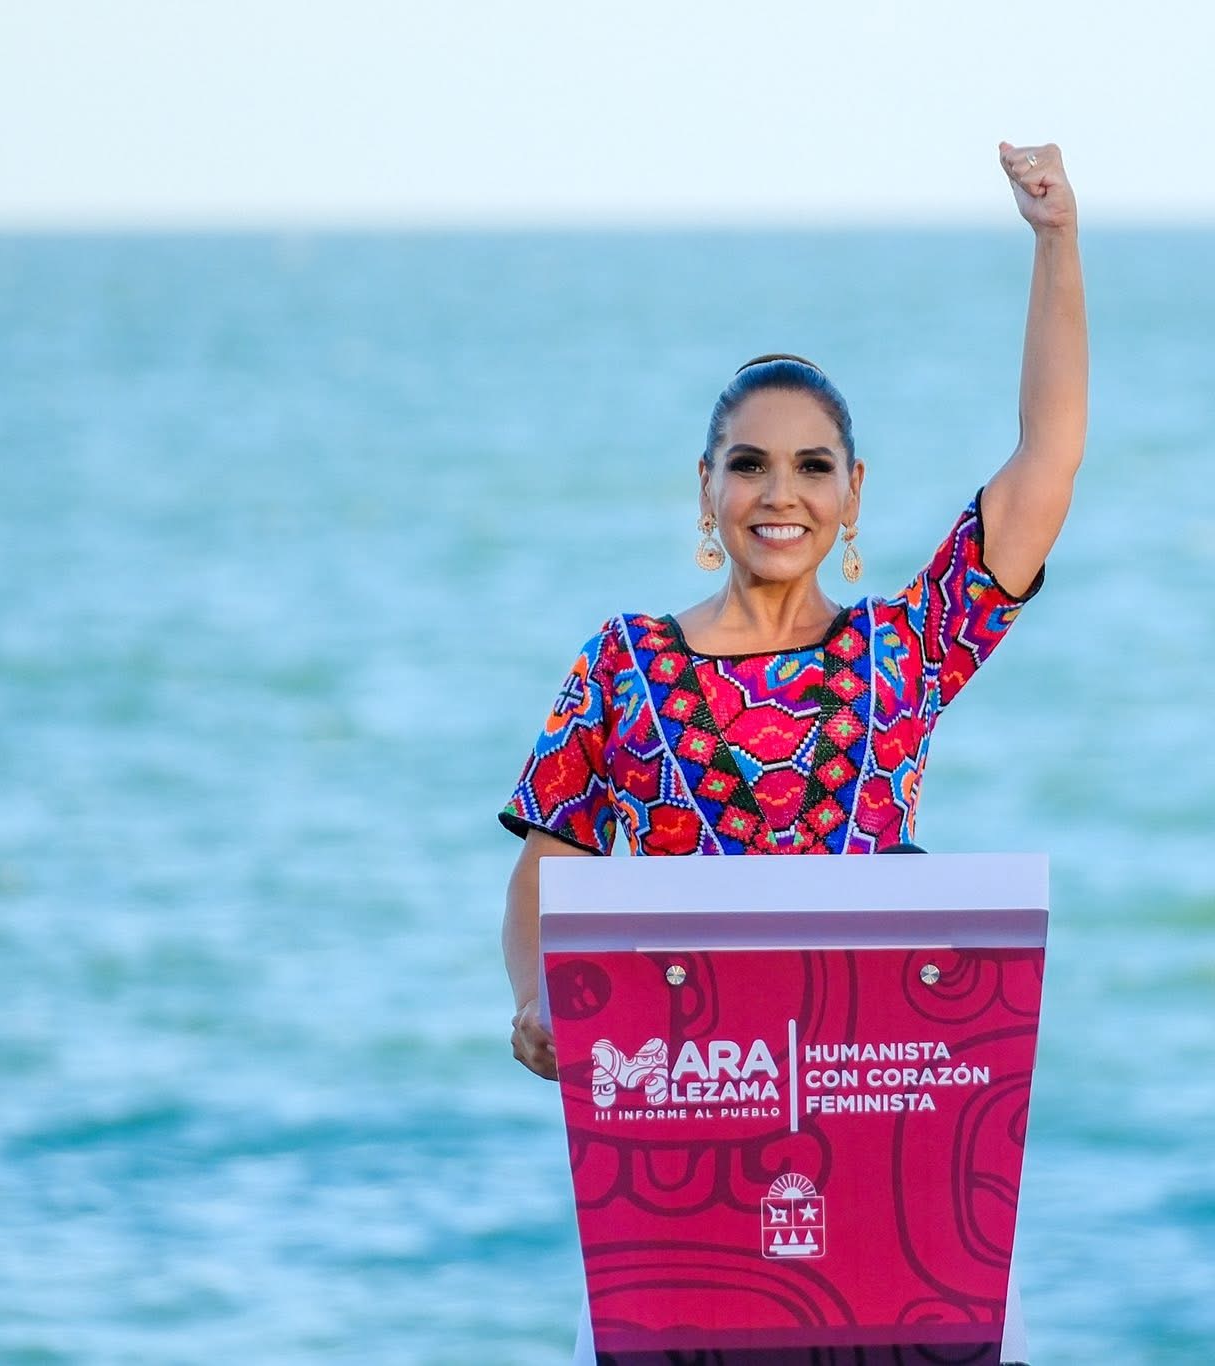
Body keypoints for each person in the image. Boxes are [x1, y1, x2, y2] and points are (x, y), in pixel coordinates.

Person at [496, 140, 1085, 1366]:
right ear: (705, 487)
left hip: (896, 1156)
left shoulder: (902, 652)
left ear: (853, 493)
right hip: (677, 1165)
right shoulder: (622, 663)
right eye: (749, 464)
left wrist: (1054, 243)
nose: (781, 493)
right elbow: (548, 862)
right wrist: (533, 999)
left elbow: (1045, 464)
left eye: (812, 467)